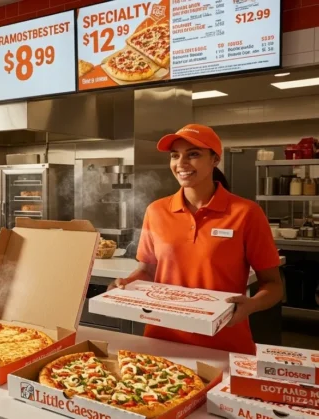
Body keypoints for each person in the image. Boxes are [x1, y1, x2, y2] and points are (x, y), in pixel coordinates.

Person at [111, 124, 282, 355]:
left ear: (214, 159)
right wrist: (126, 283)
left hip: (224, 340)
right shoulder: (157, 210)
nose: (181, 163)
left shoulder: (246, 213)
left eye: (193, 154)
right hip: (162, 338)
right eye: (175, 155)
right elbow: (147, 272)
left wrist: (251, 305)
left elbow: (272, 285)